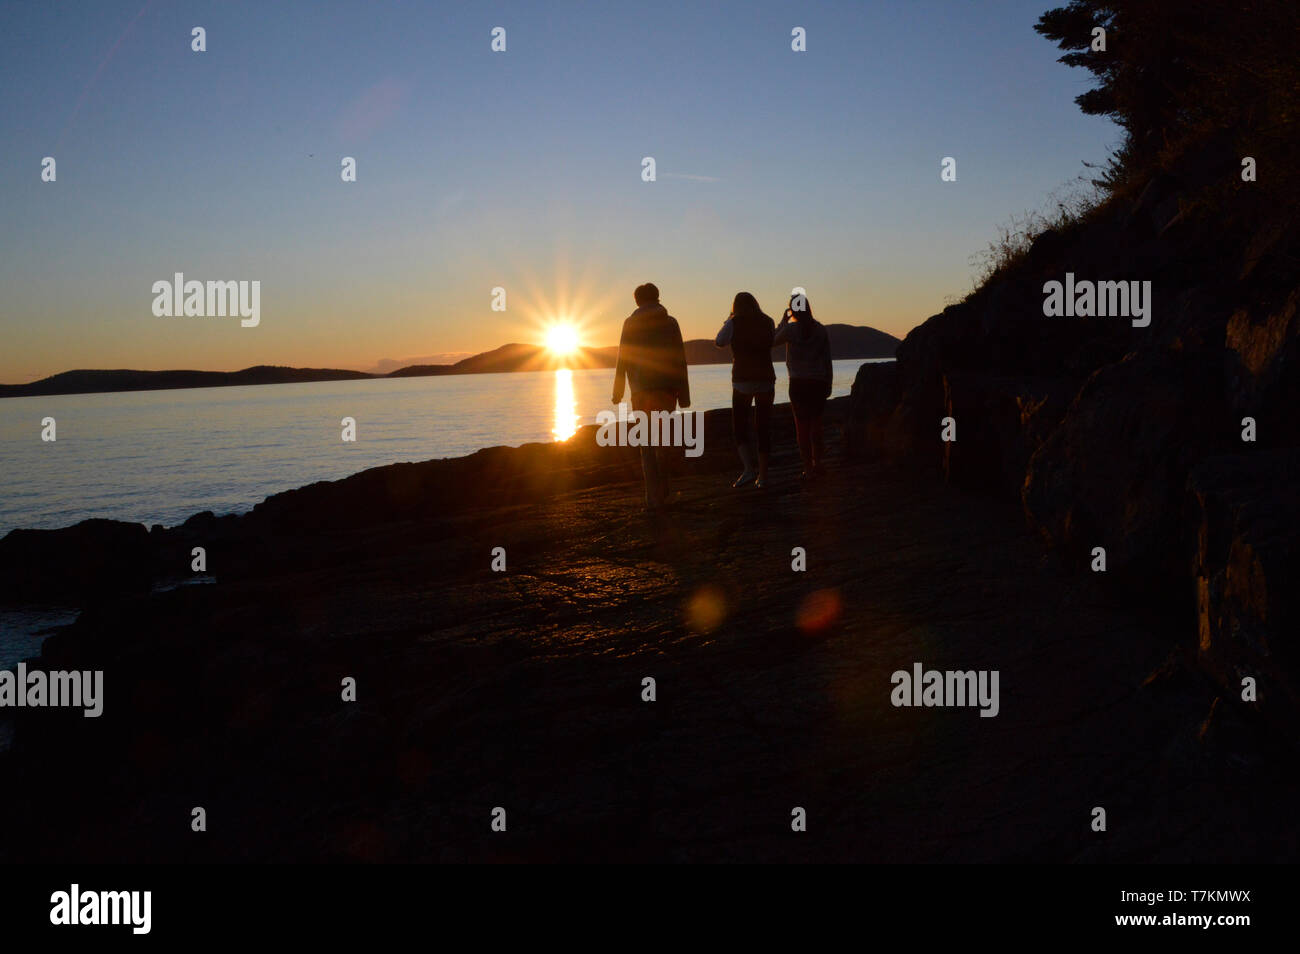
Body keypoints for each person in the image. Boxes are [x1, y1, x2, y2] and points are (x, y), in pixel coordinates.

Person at [612, 283, 691, 511]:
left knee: (646, 444)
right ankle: (665, 488)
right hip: (667, 390)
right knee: (664, 441)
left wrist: (618, 391)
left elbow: (622, 358)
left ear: (637, 301)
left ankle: (652, 497)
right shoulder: (670, 322)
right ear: (658, 298)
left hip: (641, 390)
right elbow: (680, 358)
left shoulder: (630, 323)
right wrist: (684, 395)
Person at [715, 292, 776, 488]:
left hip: (743, 380)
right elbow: (770, 343)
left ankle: (749, 470)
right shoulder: (768, 321)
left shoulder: (734, 322)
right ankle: (764, 476)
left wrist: (729, 319)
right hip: (766, 379)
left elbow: (719, 341)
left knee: (740, 426)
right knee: (763, 426)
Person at [774, 293, 833, 481]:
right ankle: (818, 463)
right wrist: (829, 382)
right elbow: (827, 360)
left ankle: (807, 468)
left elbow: (772, 342)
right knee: (816, 426)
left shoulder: (790, 330)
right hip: (818, 382)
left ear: (793, 310)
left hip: (798, 383)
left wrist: (783, 321)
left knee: (802, 428)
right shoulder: (821, 330)